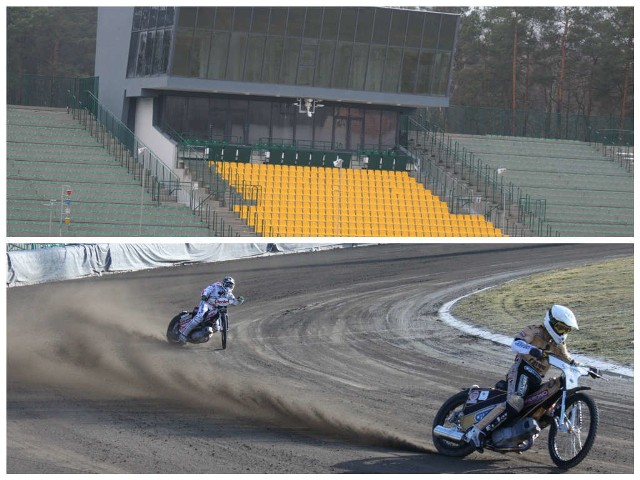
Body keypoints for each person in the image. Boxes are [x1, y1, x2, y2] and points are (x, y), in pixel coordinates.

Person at [464, 304, 587, 452]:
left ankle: (518, 435)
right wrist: (532, 350)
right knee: (516, 401)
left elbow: (568, 359)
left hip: (536, 379)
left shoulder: (558, 344)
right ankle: (477, 431)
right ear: (552, 322)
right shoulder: (535, 331)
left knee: (547, 409)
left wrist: (585, 368)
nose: (563, 333)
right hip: (521, 370)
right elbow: (516, 343)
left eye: (566, 330)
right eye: (561, 328)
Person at [178, 276, 244, 344]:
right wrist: (204, 295)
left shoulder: (229, 294)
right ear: (223, 283)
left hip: (216, 308)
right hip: (207, 303)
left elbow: (234, 302)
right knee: (199, 317)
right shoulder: (216, 286)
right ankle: (183, 335)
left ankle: (201, 336)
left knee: (216, 328)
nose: (229, 286)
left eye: (231, 285)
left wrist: (239, 300)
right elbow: (207, 290)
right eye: (227, 284)